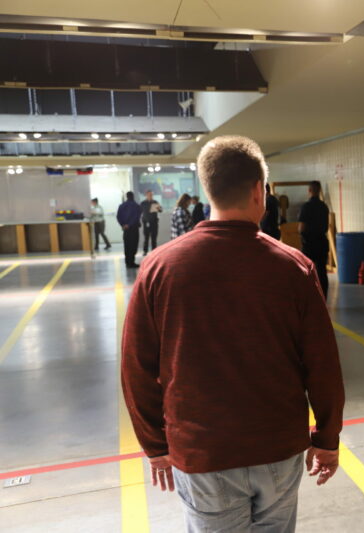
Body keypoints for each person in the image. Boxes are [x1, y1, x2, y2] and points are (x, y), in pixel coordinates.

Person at [120, 135, 345, 532]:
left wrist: (155, 444)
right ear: (259, 190)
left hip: (203, 454)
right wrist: (326, 438)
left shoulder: (158, 268)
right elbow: (322, 363)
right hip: (278, 447)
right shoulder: (294, 267)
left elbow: (136, 366)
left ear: (207, 189)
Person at [298, 181, 330, 299]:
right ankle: (323, 298)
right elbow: (326, 226)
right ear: (319, 191)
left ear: (309, 191)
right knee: (322, 271)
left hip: (309, 244)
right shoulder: (324, 206)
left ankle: (310, 298)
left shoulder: (306, 207)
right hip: (322, 242)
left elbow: (301, 227)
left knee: (307, 272)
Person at [117, 191, 142, 268]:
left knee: (127, 245)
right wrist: (129, 224)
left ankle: (127, 262)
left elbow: (118, 216)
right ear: (133, 196)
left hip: (126, 229)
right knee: (133, 245)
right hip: (133, 228)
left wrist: (123, 225)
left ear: (126, 197)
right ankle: (132, 262)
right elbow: (137, 217)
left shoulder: (121, 206)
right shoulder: (136, 206)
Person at [140, 189, 162, 256]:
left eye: (151, 195)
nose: (150, 196)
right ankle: (145, 251)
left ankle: (154, 251)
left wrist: (159, 209)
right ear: (146, 195)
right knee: (146, 238)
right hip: (146, 223)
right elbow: (139, 212)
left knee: (154, 238)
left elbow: (160, 210)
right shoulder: (143, 203)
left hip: (154, 223)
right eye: (149, 194)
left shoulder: (155, 202)